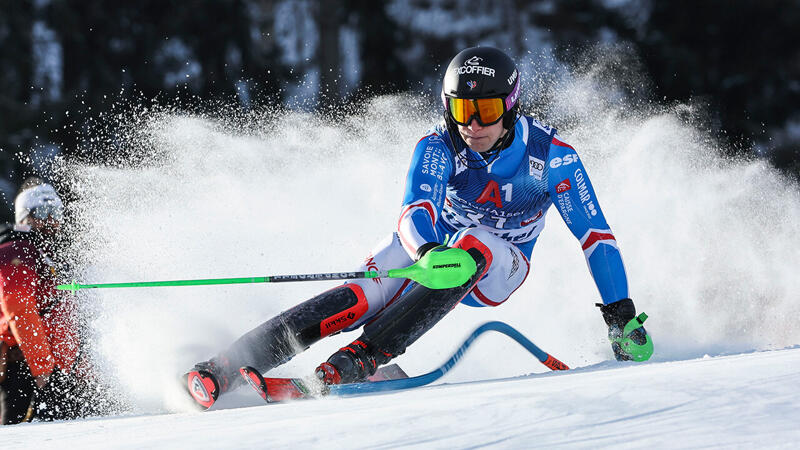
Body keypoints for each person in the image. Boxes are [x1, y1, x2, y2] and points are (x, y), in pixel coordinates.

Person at [184, 46, 653, 410]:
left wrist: (621, 315)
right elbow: (413, 212)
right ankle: (223, 368)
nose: (472, 124)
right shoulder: (438, 144)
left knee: (476, 245)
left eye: (486, 110)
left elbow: (595, 237)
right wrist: (428, 251)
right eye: (461, 109)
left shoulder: (553, 158)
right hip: (435, 247)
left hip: (499, 264)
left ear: (510, 106)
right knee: (360, 296)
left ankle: (359, 360)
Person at [0, 178, 98, 424]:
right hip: (25, 368)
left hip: (58, 371)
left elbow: (64, 312)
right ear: (25, 217)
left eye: (57, 212)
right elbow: (18, 307)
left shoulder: (48, 251)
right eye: (43, 212)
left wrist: (79, 364)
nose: (52, 219)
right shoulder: (17, 247)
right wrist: (43, 369)